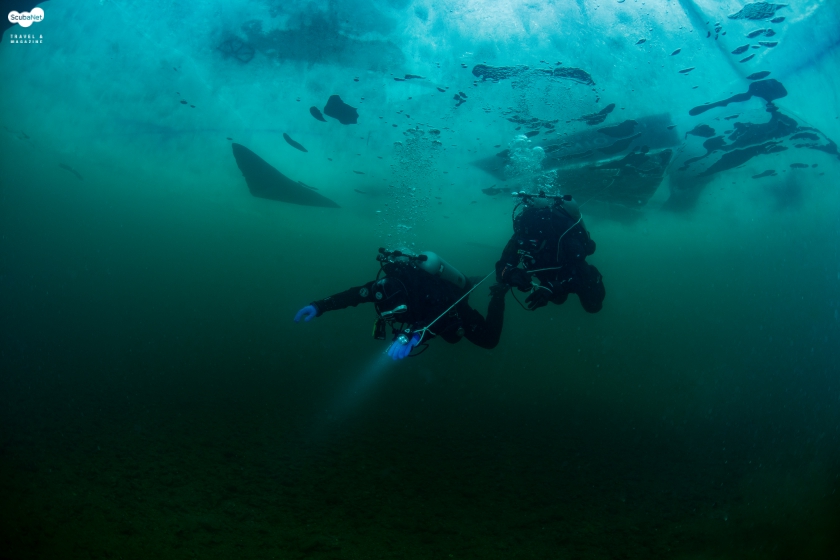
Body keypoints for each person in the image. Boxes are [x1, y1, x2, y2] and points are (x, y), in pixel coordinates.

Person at [294, 249, 506, 360]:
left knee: (488, 341)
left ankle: (498, 294)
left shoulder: (424, 291)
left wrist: (414, 335)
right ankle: (473, 282)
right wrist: (320, 306)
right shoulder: (381, 288)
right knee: (450, 337)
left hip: (452, 306)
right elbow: (353, 296)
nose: (390, 313)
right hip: (428, 315)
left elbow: (440, 314)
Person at [495, 191, 605, 312]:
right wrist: (510, 274)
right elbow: (501, 267)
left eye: (534, 238)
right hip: (547, 275)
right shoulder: (520, 236)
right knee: (558, 300)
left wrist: (555, 287)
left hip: (569, 270)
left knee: (593, 305)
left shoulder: (564, 236)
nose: (528, 241)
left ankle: (592, 278)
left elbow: (580, 273)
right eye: (526, 235)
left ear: (544, 232)